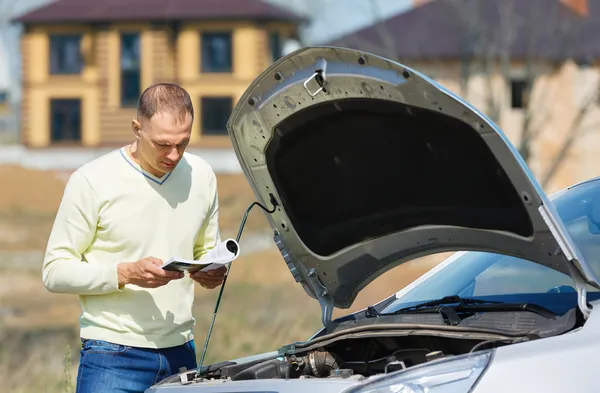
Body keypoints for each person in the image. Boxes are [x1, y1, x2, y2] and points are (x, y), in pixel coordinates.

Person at [42, 83, 228, 393]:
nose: (173, 155)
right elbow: (54, 271)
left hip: (182, 354)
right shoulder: (90, 181)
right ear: (136, 128)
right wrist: (125, 273)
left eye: (183, 143)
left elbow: (206, 249)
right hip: (112, 356)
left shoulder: (202, 175)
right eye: (162, 144)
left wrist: (212, 271)